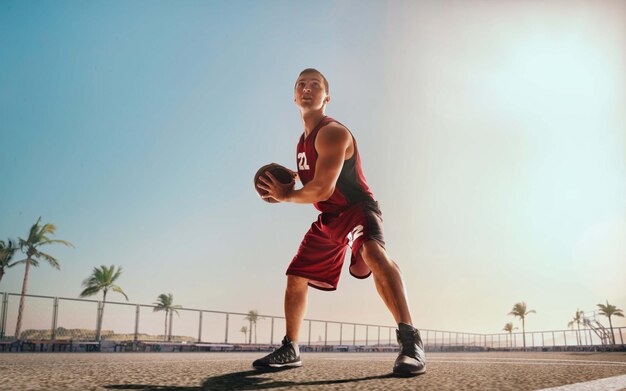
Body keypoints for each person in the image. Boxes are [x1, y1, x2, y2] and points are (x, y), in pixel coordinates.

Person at [255, 68, 426, 376]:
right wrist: (292, 179)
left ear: (326, 97)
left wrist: (285, 195)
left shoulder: (333, 132)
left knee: (374, 255)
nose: (307, 88)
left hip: (356, 209)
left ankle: (410, 341)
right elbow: (314, 178)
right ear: (295, 95)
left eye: (315, 85)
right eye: (301, 85)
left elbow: (322, 188)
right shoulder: (302, 142)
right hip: (330, 219)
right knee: (296, 277)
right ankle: (291, 347)